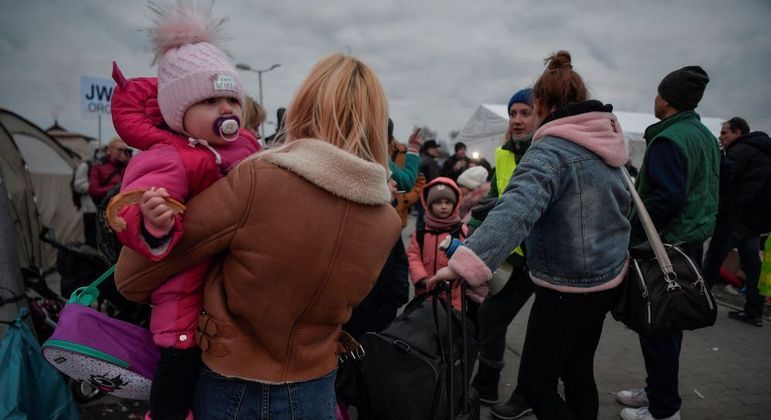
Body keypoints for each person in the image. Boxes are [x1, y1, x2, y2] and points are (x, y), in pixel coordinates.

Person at [115, 52, 402, 419]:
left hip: (230, 385)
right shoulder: (386, 221)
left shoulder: (258, 181)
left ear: (303, 107)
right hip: (316, 389)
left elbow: (132, 277)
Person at [431, 50, 630, 420]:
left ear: (539, 104)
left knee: (537, 386)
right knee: (577, 372)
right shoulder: (606, 146)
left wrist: (463, 265)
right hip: (605, 282)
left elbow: (518, 210)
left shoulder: (550, 150)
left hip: (564, 288)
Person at [109, 3, 261, 418]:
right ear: (180, 111)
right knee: (178, 374)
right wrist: (154, 221)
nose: (227, 109)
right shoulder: (171, 156)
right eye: (211, 100)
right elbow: (134, 205)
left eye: (232, 98)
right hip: (185, 299)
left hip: (231, 284)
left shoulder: (247, 148)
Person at [617, 65, 719, 420]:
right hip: (690, 244)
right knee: (668, 326)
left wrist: (632, 232)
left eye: (659, 93)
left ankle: (663, 410)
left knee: (658, 325)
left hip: (667, 248)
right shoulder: (703, 134)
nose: (655, 99)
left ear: (667, 99)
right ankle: (657, 391)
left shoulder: (669, 139)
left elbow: (666, 200)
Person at [469, 87, 537, 417]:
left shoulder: (548, 151)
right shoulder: (503, 153)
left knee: (545, 331)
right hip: (515, 255)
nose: (517, 120)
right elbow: (494, 200)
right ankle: (486, 386)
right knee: (491, 316)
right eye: (513, 113)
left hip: (548, 256)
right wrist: (472, 230)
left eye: (525, 113)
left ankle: (529, 394)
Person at [701, 117, 770, 327]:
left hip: (735, 216)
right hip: (755, 219)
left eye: (725, 133)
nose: (721, 138)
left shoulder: (740, 151)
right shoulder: (764, 151)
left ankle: (698, 305)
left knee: (712, 260)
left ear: (738, 133)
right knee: (751, 265)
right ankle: (754, 312)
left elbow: (724, 182)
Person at [407, 177, 473, 311]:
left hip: (453, 296)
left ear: (455, 204)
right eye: (438, 202)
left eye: (448, 202)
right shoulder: (421, 230)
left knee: (450, 329)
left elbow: (469, 258)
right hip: (424, 294)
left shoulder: (461, 230)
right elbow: (413, 255)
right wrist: (422, 278)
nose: (443, 206)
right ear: (429, 204)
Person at [72, 143, 103, 247]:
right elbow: (78, 185)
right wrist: (94, 188)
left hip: (101, 208)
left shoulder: (103, 166)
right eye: (98, 151)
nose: (100, 154)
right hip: (90, 209)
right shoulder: (85, 166)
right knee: (91, 239)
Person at [88, 137, 131, 205]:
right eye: (120, 150)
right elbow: (93, 191)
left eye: (125, 151)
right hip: (106, 206)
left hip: (123, 205)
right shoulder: (98, 167)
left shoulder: (127, 166)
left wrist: (129, 163)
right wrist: (115, 189)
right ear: (109, 150)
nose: (123, 153)